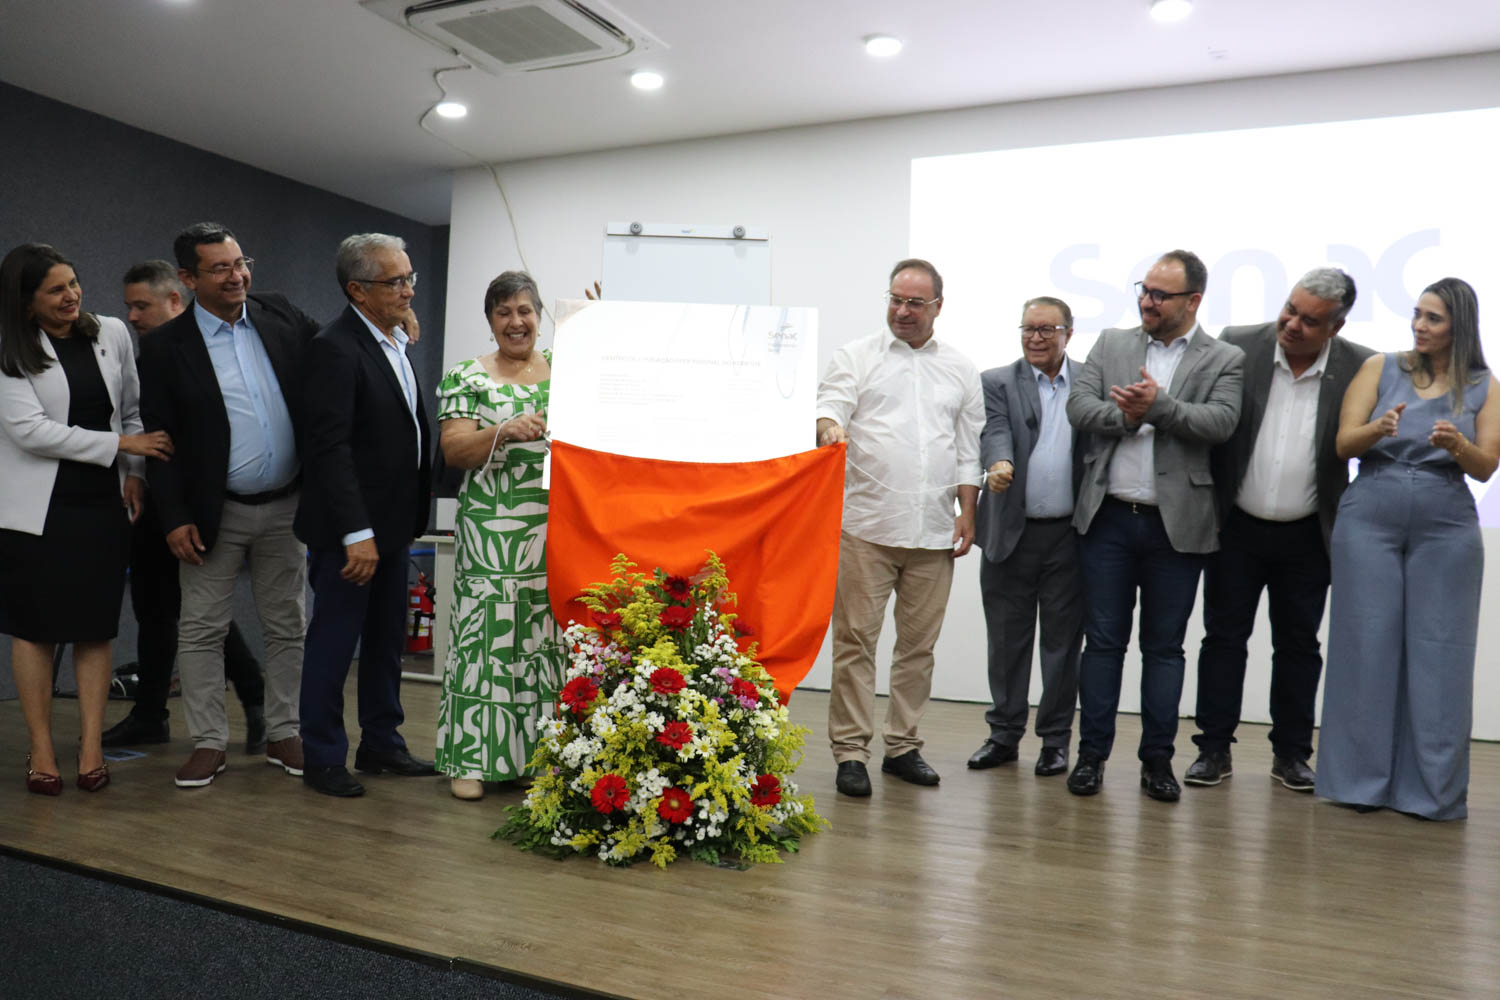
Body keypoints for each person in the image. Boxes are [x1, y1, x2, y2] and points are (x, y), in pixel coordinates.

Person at [138, 222, 319, 788]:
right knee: (201, 629)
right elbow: (159, 440)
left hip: (287, 504)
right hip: (213, 513)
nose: (238, 275)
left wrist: (393, 324)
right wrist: (174, 517)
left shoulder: (280, 313)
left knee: (288, 624)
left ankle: (285, 730)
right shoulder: (166, 348)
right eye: (220, 268)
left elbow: (337, 350)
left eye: (241, 262)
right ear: (188, 279)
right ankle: (209, 742)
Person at [1064, 249, 1243, 802]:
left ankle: (1157, 762)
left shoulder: (1224, 358)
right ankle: (1091, 758)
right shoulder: (1112, 344)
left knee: (1164, 650)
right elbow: (1078, 405)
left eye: (1161, 295)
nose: (1147, 300)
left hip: (1177, 529)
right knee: (1103, 646)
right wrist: (1126, 417)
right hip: (1110, 519)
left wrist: (1159, 408)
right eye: (1144, 289)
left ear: (1193, 301)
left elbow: (1221, 422)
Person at [1185, 269, 1372, 793]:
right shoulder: (1238, 346)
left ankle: (1291, 755)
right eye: (1289, 309)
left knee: (1298, 646)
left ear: (1335, 327)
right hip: (1236, 527)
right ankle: (1213, 750)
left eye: (1309, 320)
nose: (1291, 324)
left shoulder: (1361, 366)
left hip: (1308, 533)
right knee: (1223, 639)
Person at [1317, 277, 1497, 821]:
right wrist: (1378, 428)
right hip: (1371, 510)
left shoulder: (1485, 383)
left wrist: (1457, 444)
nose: (1419, 325)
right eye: (1418, 314)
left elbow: (1487, 465)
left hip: (1446, 520)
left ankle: (1431, 793)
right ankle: (1358, 784)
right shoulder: (1379, 368)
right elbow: (1343, 443)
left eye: (1433, 318)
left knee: (1439, 653)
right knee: (1365, 647)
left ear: (1458, 326)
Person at [0, 243, 172, 794]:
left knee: (96, 629)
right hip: (37, 509)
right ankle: (43, 747)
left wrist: (135, 470)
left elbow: (135, 408)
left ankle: (92, 746)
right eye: (55, 289)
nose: (72, 295)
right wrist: (120, 442)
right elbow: (28, 431)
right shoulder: (10, 349)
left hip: (102, 505)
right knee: (37, 630)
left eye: (73, 283)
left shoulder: (112, 333)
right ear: (26, 303)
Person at [815, 258, 984, 797]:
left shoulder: (960, 367)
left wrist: (968, 512)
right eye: (896, 299)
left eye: (915, 302)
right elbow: (829, 405)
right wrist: (829, 427)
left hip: (933, 532)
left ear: (938, 307)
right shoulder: (856, 356)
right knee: (855, 644)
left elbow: (967, 448)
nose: (902, 310)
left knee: (917, 649)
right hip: (866, 527)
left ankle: (903, 747)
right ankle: (850, 753)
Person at [104, 260, 267, 752]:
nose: (131, 316)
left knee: (198, 608)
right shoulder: (141, 354)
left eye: (142, 305)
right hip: (152, 496)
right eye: (128, 306)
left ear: (176, 301)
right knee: (157, 607)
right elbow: (138, 425)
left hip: (197, 501)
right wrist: (134, 474)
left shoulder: (208, 351)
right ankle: (152, 712)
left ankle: (254, 694)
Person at [295, 233, 434, 798]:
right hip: (352, 535)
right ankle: (322, 756)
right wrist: (358, 533)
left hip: (394, 527)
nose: (407, 290)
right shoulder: (335, 347)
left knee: (384, 643)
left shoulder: (392, 337)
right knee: (333, 644)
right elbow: (329, 449)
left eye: (409, 278)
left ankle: (381, 743)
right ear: (356, 289)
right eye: (394, 282)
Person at [433, 270, 565, 800]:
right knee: (485, 641)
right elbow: (454, 452)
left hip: (554, 526)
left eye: (525, 310)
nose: (517, 322)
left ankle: (534, 759)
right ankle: (472, 760)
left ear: (539, 316)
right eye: (504, 312)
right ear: (490, 322)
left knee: (541, 642)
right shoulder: (467, 376)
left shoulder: (564, 369)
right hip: (491, 531)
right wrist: (501, 432)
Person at [968, 297, 1085, 778]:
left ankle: (1055, 742)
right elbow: (993, 430)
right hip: (1009, 534)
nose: (1035, 337)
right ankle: (1003, 736)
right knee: (1007, 642)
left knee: (1062, 647)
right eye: (1028, 328)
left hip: (1071, 537)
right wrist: (999, 464)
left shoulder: (1090, 382)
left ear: (1068, 334)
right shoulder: (997, 381)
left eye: (1046, 329)